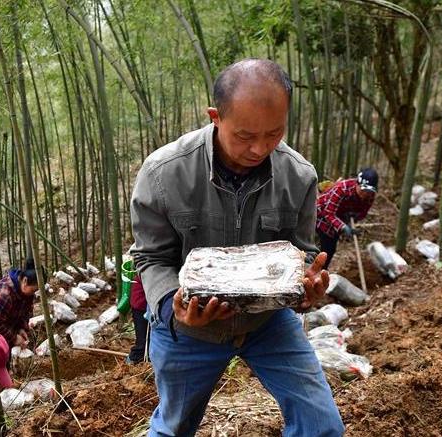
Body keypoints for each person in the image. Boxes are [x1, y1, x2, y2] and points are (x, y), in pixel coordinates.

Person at [130, 58, 344, 437]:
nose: (259, 148)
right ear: (215, 116)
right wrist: (170, 306)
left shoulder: (299, 175)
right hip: (189, 329)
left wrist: (305, 284)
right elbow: (151, 256)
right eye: (244, 136)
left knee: (321, 425)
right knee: (172, 428)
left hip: (267, 322)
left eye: (274, 133)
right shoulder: (163, 173)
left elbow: (302, 250)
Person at [316, 168, 378, 269]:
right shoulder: (342, 188)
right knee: (317, 250)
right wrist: (344, 227)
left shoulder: (370, 197)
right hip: (319, 217)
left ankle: (321, 276)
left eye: (369, 191)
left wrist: (354, 217)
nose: (365, 194)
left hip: (336, 223)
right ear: (357, 184)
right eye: (363, 190)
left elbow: (363, 213)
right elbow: (328, 213)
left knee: (329, 251)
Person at [126, 274, 148, 364]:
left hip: (141, 304)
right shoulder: (148, 271)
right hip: (140, 306)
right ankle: (133, 359)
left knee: (145, 337)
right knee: (143, 339)